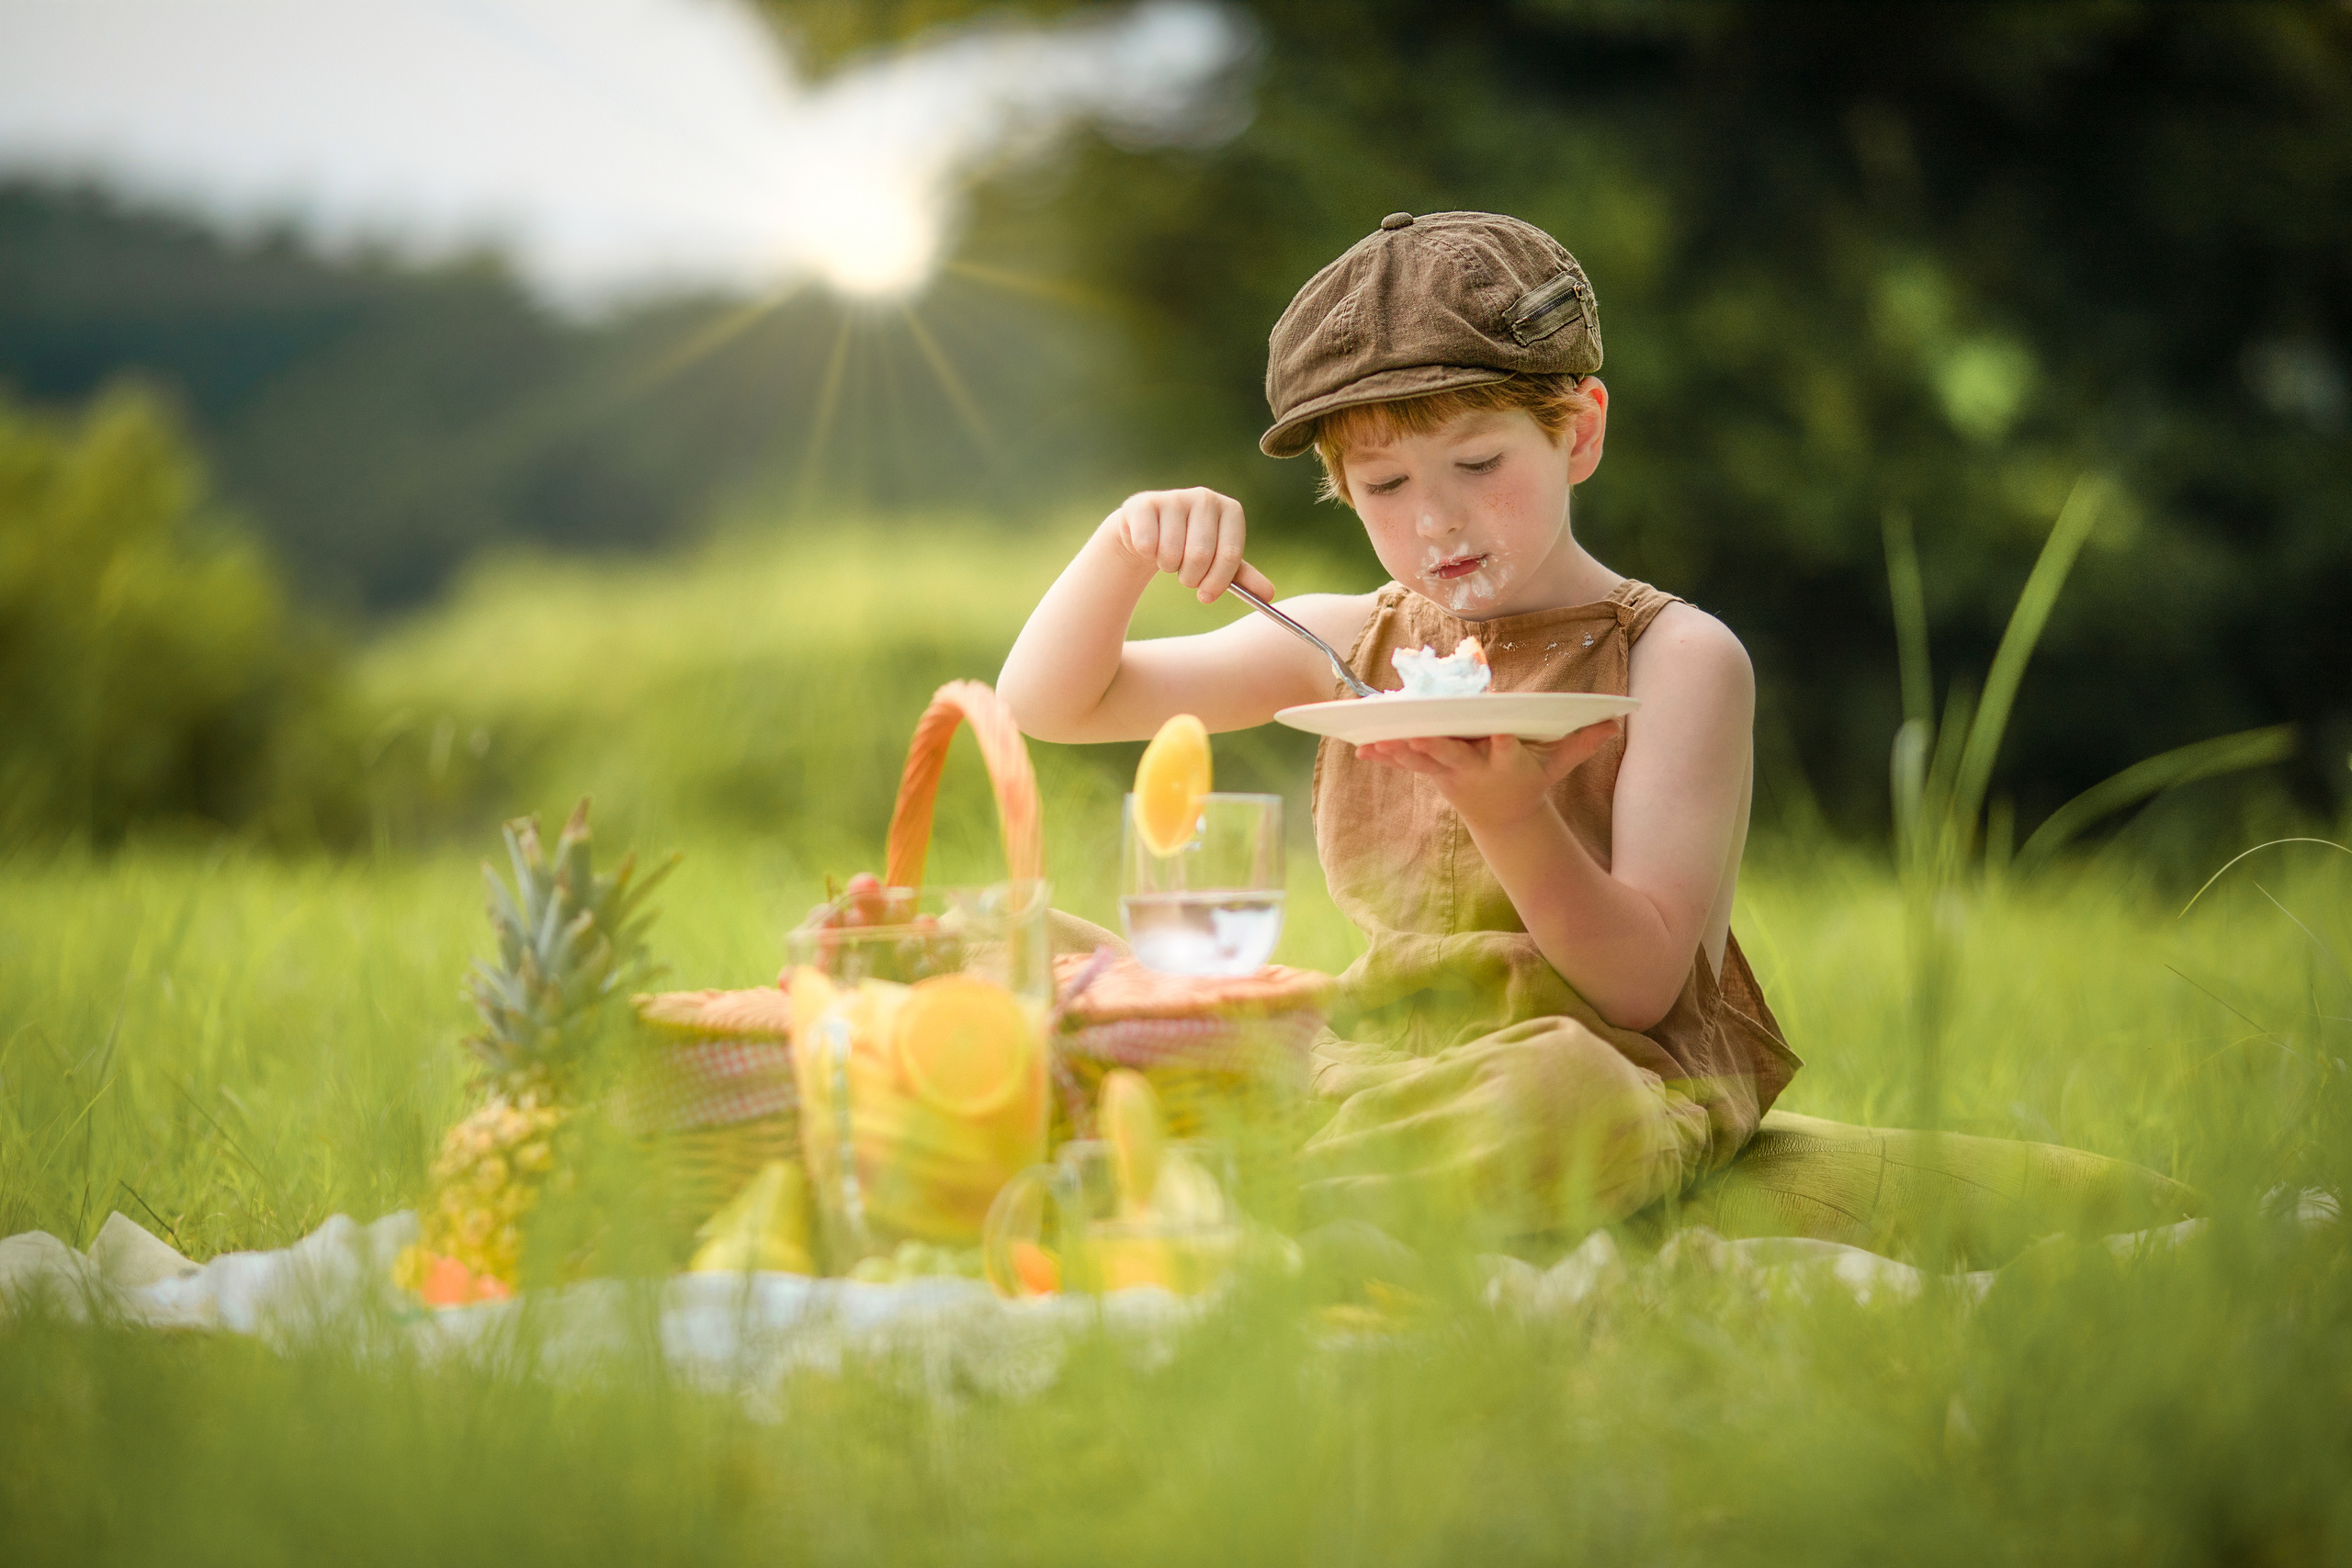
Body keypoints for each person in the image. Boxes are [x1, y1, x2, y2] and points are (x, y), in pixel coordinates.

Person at [999, 210, 1798, 1242]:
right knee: (1008, 946)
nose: (1437, 522)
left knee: (1559, 1093)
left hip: (1605, 1078)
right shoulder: (1342, 640)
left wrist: (1511, 814)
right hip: (1371, 1053)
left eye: (1477, 465)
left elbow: (1641, 987)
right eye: (1384, 486)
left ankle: (1236, 1203)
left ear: (1579, 431)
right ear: (1343, 489)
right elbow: (1050, 705)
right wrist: (1124, 545)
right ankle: (1259, 1164)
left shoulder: (1676, 658)